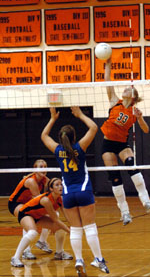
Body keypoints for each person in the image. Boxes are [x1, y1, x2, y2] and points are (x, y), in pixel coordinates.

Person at [41, 106, 109, 277]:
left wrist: (52, 119)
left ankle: (79, 260)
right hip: (84, 191)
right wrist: (80, 115)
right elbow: (94, 127)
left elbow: (43, 136)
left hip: (68, 195)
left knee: (76, 229)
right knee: (90, 227)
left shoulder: (57, 150)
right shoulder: (80, 147)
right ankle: (98, 259)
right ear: (74, 137)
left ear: (61, 138)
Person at [101, 57, 150, 225]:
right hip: (108, 144)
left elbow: (146, 130)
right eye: (126, 88)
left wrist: (140, 119)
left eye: (129, 89)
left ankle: (146, 200)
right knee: (115, 177)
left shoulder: (134, 111)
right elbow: (107, 81)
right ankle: (124, 212)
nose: (126, 89)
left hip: (122, 144)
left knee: (132, 165)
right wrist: (108, 64)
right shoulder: (114, 101)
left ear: (133, 97)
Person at [8, 159, 72, 261]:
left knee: (56, 220)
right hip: (17, 203)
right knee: (30, 224)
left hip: (31, 204)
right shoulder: (31, 181)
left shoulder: (44, 179)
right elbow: (39, 200)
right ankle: (25, 251)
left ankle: (44, 243)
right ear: (34, 168)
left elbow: (53, 185)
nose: (44, 169)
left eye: (45, 167)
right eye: (41, 167)